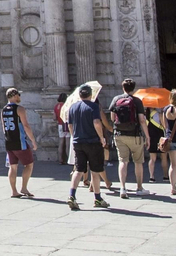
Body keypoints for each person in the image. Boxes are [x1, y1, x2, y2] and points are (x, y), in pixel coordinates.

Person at [63, 82, 110, 210]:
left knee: (78, 170)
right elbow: (96, 122)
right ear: (91, 94)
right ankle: (98, 198)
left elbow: (70, 125)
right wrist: (102, 138)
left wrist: (74, 137)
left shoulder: (72, 107)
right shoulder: (94, 107)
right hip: (93, 142)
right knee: (95, 171)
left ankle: (71, 195)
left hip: (78, 142)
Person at [109, 79, 146, 198]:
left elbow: (112, 117)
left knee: (123, 161)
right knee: (138, 162)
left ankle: (123, 188)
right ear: (133, 88)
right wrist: (148, 136)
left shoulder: (116, 99)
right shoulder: (137, 101)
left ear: (123, 87)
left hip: (119, 135)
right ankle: (139, 188)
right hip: (135, 135)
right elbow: (142, 120)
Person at [0, 88, 36, 198]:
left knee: (13, 167)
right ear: (15, 96)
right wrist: (33, 140)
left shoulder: (3, 110)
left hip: (9, 141)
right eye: (18, 95)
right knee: (29, 164)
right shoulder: (20, 109)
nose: (19, 97)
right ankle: (24, 188)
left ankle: (14, 191)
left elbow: (3, 127)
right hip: (20, 142)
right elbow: (26, 126)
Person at [53, 92, 70, 166]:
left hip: (59, 124)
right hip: (66, 124)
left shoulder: (56, 106)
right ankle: (68, 159)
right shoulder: (66, 105)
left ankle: (60, 159)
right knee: (67, 142)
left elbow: (54, 118)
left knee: (61, 142)